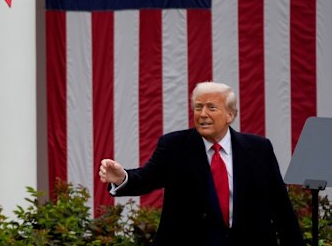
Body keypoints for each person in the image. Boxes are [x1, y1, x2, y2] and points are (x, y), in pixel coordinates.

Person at [99, 82, 304, 246]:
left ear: (230, 115)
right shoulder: (174, 146)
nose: (202, 114)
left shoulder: (259, 149)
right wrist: (121, 178)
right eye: (198, 107)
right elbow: (146, 178)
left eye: (211, 107)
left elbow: (281, 207)